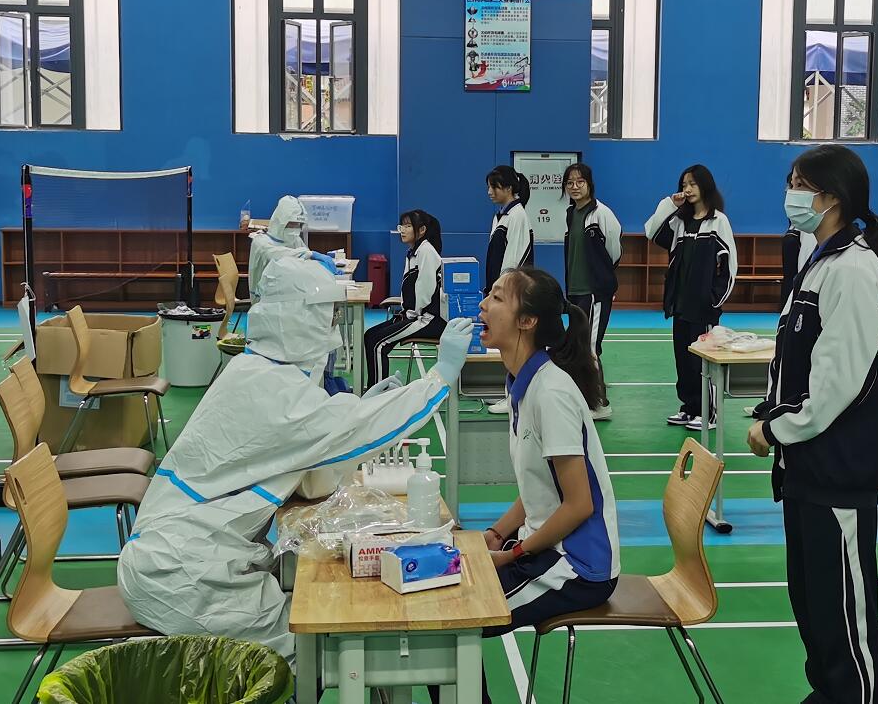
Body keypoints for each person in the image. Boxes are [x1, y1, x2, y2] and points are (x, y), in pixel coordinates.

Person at [118, 254, 474, 667]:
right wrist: (437, 377)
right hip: (186, 574)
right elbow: (358, 431)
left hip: (180, 556)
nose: (332, 326)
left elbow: (309, 475)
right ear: (301, 318)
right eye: (326, 314)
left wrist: (355, 411)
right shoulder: (276, 391)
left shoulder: (256, 370)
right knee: (309, 651)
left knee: (312, 619)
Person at [747, 144, 878, 704]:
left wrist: (775, 429)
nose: (790, 193)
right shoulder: (819, 262)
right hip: (806, 473)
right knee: (815, 612)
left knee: (845, 629)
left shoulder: (853, 271)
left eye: (799, 183)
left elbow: (836, 386)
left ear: (831, 197)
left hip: (838, 475)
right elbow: (795, 359)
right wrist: (772, 412)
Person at [475, 267, 619, 704]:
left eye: (497, 298)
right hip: (543, 550)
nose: (483, 305)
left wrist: (515, 552)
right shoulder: (523, 383)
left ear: (527, 321)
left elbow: (578, 505)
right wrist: (496, 534)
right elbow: (541, 486)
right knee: (452, 594)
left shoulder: (551, 393)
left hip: (577, 567)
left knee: (456, 619)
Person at [645, 164, 737, 431]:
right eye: (684, 184)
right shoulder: (680, 223)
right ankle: (689, 407)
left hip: (704, 308)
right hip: (681, 305)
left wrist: (714, 300)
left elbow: (729, 266)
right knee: (684, 361)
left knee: (702, 362)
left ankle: (709, 413)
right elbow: (652, 232)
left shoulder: (718, 222)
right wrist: (669, 204)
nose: (687, 189)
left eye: (692, 184)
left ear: (705, 186)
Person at [750, 172, 817, 419]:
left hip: (803, 301)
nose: (792, 191)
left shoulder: (812, 230)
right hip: (790, 296)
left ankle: (787, 407)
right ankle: (774, 401)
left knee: (797, 357)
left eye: (800, 185)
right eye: (791, 185)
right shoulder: (796, 224)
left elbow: (809, 270)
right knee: (782, 354)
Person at [562, 162, 622, 421]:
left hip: (595, 292)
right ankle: (584, 398)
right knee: (578, 346)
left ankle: (600, 403)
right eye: (570, 183)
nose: (574, 187)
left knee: (590, 347)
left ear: (589, 184)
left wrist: (603, 278)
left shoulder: (602, 214)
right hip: (575, 291)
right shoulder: (571, 214)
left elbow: (614, 249)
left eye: (580, 182)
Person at [363, 210, 446, 388]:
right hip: (414, 315)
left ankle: (378, 395)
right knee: (370, 335)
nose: (402, 230)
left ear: (421, 230)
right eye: (402, 226)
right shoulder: (413, 252)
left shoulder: (426, 251)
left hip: (428, 320)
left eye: (408, 226)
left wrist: (410, 315)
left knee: (379, 343)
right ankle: (373, 388)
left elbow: (425, 292)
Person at [484, 165, 533, 414]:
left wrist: (502, 292)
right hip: (499, 292)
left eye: (495, 187)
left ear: (510, 188)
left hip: (512, 294)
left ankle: (514, 397)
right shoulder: (500, 216)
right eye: (489, 187)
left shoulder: (518, 216)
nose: (490, 192)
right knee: (506, 345)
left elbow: (514, 259)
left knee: (515, 346)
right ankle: (510, 394)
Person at [247, 195, 339, 301]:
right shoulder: (260, 241)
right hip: (264, 299)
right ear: (280, 221)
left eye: (299, 225)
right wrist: (311, 254)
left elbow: (305, 262)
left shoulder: (294, 239)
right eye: (292, 224)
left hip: (289, 294)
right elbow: (276, 256)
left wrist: (322, 268)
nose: (295, 228)